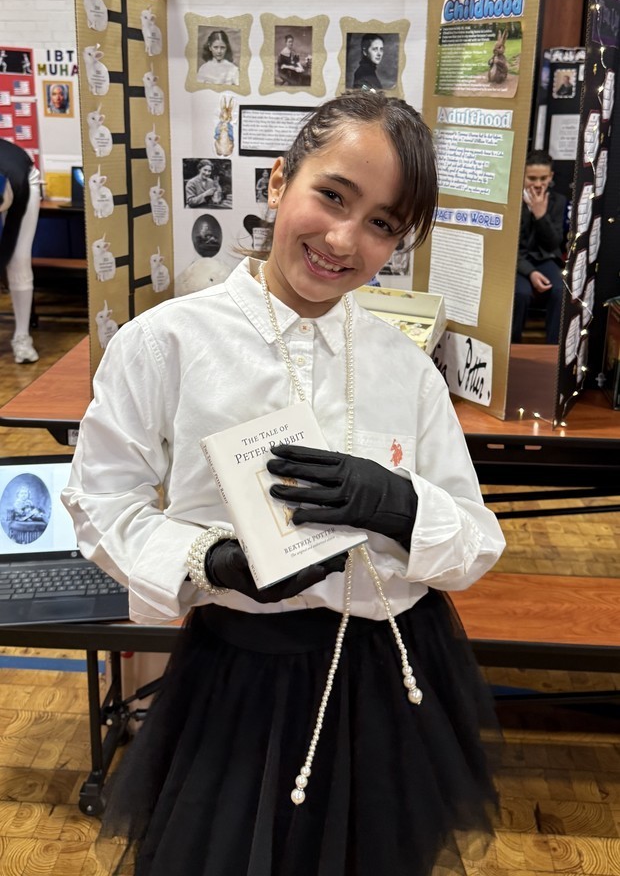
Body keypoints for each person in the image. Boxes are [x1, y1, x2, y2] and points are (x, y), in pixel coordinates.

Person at [62, 91, 505, 876]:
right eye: (331, 196)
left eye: (381, 223)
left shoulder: (404, 366)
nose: (344, 239)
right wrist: (212, 561)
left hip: (392, 675)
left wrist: (403, 506)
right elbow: (102, 505)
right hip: (241, 679)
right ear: (278, 182)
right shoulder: (167, 343)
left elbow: (475, 541)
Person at [512, 150, 566, 344]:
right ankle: (513, 345)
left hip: (545, 258)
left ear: (550, 177)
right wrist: (531, 273)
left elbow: (554, 243)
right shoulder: (512, 201)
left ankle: (553, 348)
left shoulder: (557, 201)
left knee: (560, 290)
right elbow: (510, 248)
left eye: (543, 178)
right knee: (521, 293)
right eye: (532, 178)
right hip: (517, 261)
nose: (537, 184)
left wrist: (540, 215)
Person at [0, 138, 41, 363]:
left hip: (24, 181)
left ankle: (22, 338)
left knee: (18, 260)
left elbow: (7, 244)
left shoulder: (13, 182)